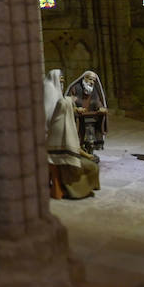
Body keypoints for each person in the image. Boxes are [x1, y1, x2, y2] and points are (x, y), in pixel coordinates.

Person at [44, 70, 99, 199]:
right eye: (60, 81)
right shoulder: (51, 93)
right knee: (91, 166)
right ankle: (77, 189)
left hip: (65, 146)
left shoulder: (64, 114)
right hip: (60, 155)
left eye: (63, 81)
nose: (62, 84)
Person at [65, 70, 107, 156]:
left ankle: (90, 150)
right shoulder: (75, 88)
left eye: (93, 81)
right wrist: (76, 108)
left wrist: (101, 108)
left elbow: (96, 101)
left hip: (90, 117)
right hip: (77, 118)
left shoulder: (93, 90)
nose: (92, 82)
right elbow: (68, 102)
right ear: (85, 78)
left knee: (90, 137)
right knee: (78, 136)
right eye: (90, 79)